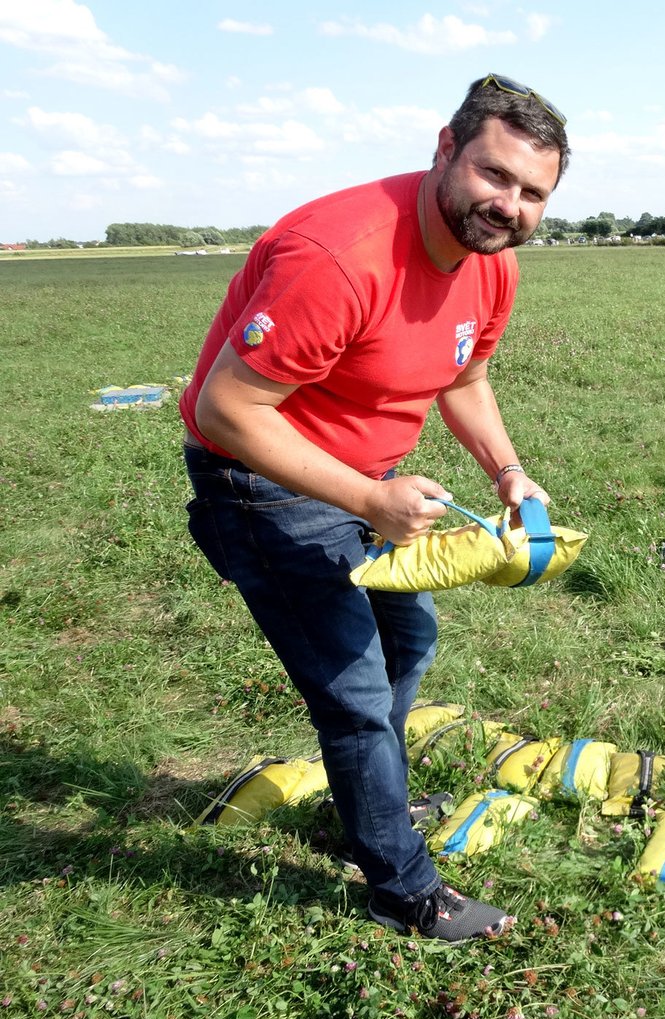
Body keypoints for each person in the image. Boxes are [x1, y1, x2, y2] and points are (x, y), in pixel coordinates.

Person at [179, 75, 570, 943]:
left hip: (365, 481)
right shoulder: (340, 255)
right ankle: (401, 886)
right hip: (260, 483)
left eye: (532, 192)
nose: (508, 206)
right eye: (493, 175)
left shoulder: (488, 264)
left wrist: (508, 470)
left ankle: (371, 802)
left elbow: (463, 375)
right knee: (355, 694)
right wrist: (367, 497)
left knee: (408, 638)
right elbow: (224, 410)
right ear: (444, 148)